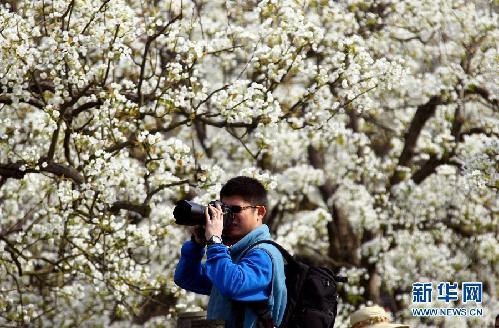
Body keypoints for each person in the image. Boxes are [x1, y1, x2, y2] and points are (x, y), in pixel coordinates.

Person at [174, 176, 287, 328]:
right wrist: (197, 244)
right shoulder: (236, 256)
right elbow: (186, 278)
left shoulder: (264, 254)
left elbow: (233, 285)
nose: (227, 217)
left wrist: (214, 240)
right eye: (224, 210)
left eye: (235, 210)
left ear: (259, 212)